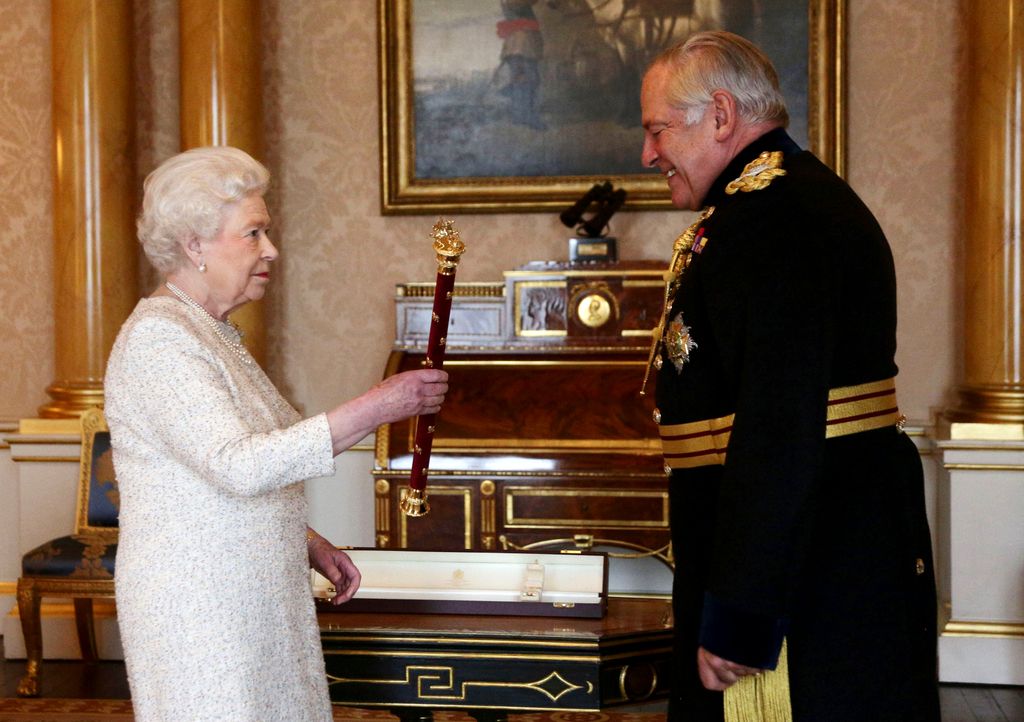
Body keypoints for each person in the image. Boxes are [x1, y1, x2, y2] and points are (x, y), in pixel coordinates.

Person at [640, 31, 939, 721]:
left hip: (802, 565)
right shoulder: (771, 204)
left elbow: (777, 427)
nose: (648, 153)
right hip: (818, 541)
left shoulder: (772, 219)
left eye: (658, 130)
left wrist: (740, 613)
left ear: (720, 115)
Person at [104, 146, 448, 722]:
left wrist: (307, 541)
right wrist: (378, 407)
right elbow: (239, 465)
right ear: (195, 244)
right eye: (253, 233)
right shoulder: (160, 341)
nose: (271, 250)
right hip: (202, 609)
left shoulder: (212, 333)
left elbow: (228, 469)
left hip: (251, 599)